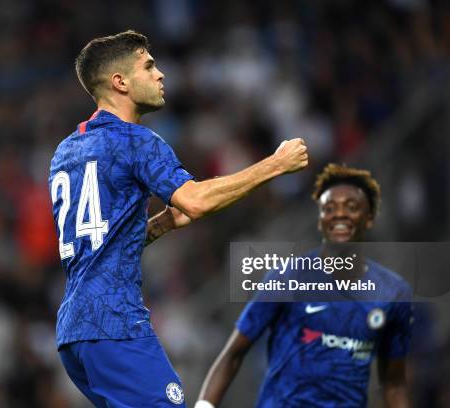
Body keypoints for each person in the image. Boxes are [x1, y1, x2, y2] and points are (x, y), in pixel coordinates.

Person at [48, 30, 308, 407]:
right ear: (119, 82)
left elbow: (96, 244)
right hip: (115, 325)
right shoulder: (137, 141)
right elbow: (196, 200)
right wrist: (275, 165)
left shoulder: (66, 152)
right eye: (148, 66)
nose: (161, 74)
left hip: (74, 333)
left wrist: (161, 225)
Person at [196, 164, 413, 408]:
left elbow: (394, 383)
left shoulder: (393, 293)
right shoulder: (287, 277)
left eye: (351, 207)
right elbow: (233, 354)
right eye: (329, 208)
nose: (339, 214)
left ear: (370, 218)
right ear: (320, 219)